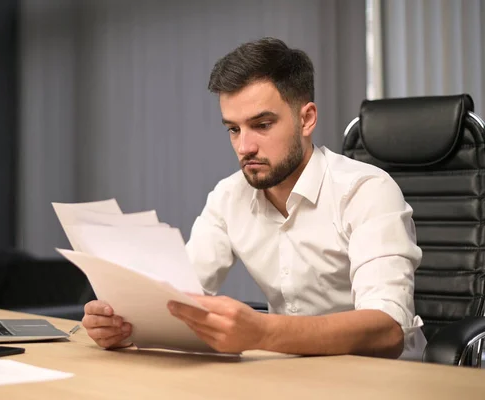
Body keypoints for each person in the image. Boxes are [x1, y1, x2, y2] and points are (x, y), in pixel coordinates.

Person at [81, 37, 427, 359]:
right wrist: (126, 326)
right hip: (287, 375)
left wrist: (262, 332)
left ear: (306, 119)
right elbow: (178, 298)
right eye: (234, 129)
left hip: (379, 379)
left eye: (262, 125)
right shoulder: (228, 197)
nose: (244, 147)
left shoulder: (366, 191)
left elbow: (388, 329)